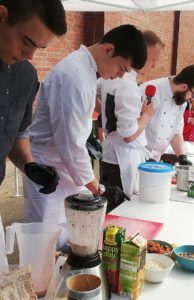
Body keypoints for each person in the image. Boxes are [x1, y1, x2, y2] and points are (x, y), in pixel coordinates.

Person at [23, 24, 147, 248]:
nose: (120, 75)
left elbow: (75, 132)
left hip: (66, 169)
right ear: (109, 49)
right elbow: (69, 144)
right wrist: (97, 187)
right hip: (48, 172)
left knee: (69, 237)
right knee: (47, 243)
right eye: (121, 68)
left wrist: (87, 140)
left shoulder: (88, 72)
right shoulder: (73, 74)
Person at [0, 0, 67, 192]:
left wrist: (29, 165)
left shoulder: (26, 75)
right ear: (1, 16)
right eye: (26, 42)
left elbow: (14, 133)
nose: (30, 55)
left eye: (38, 48)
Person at [97, 31, 164, 197]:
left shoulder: (110, 77)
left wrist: (107, 110)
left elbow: (94, 94)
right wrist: (146, 115)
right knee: (120, 211)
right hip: (122, 159)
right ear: (143, 53)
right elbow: (129, 135)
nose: (154, 65)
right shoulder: (128, 85)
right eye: (153, 59)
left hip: (111, 155)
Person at [140, 65, 194, 165]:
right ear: (184, 87)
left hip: (155, 160)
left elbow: (176, 132)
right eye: (193, 94)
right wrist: (144, 156)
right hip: (136, 158)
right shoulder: (150, 91)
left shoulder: (180, 101)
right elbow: (132, 129)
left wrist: (182, 156)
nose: (191, 99)